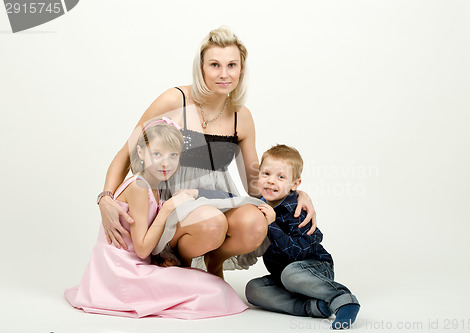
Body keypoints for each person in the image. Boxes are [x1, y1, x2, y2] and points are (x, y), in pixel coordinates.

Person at [97, 26, 318, 279]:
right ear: (201, 67)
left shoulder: (242, 117)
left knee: (256, 222)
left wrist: (295, 192)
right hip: (174, 202)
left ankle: (216, 261)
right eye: (215, 65)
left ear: (241, 69)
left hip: (219, 198)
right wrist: (105, 198)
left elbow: (255, 186)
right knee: (212, 221)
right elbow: (126, 153)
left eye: (232, 65)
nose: (224, 74)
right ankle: (179, 261)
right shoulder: (174, 100)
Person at [65, 118, 248, 319]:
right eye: (157, 154)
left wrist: (160, 260)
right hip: (122, 272)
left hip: (133, 265)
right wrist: (168, 207)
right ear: (141, 153)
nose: (165, 162)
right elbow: (142, 248)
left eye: (173, 155)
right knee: (214, 290)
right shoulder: (138, 186)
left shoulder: (155, 184)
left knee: (213, 286)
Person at [245, 145, 360, 330]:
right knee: (253, 289)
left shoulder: (298, 211)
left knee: (291, 273)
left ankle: (341, 299)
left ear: (295, 184)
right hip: (283, 276)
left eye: (281, 177)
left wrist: (272, 225)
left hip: (313, 268)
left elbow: (295, 254)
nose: (271, 181)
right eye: (266, 173)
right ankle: (313, 307)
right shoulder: (259, 205)